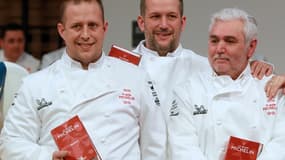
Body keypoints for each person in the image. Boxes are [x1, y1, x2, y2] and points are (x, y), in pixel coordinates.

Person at [0, 0, 166, 159]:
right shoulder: (35, 84)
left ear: (104, 28)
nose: (85, 35)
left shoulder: (135, 76)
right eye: (77, 26)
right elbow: (10, 143)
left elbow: (155, 145)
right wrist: (47, 157)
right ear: (62, 30)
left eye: (92, 25)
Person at [168, 8, 285, 160]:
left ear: (251, 47)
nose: (220, 49)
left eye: (230, 41)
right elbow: (183, 149)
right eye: (214, 40)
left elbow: (281, 144)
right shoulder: (187, 91)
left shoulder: (272, 87)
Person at [133, 0, 273, 119]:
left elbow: (242, 78)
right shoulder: (120, 66)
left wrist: (255, 66)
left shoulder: (206, 66)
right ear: (141, 23)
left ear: (182, 23)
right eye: (155, 16)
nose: (163, 25)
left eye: (171, 16)